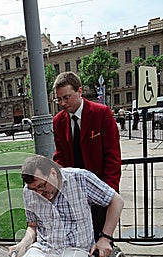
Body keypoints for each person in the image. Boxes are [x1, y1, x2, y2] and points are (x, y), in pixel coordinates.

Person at [52, 71, 122, 239]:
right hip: (74, 192)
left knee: (101, 238)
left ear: (80, 91)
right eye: (58, 99)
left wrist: (109, 193)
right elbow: (60, 155)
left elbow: (112, 157)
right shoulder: (58, 121)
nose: (62, 103)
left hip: (99, 188)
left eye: (66, 97)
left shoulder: (101, 113)